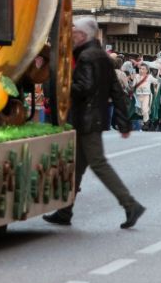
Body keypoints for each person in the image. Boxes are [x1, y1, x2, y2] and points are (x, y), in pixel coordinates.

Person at [42, 16, 146, 230]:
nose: (71, 36)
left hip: (86, 119)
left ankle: (130, 205)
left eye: (74, 33)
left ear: (82, 35)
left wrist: (63, 85)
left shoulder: (87, 57)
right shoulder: (100, 56)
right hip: (92, 118)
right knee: (76, 167)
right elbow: (116, 91)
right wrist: (123, 122)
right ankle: (65, 211)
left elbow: (84, 88)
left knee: (98, 163)